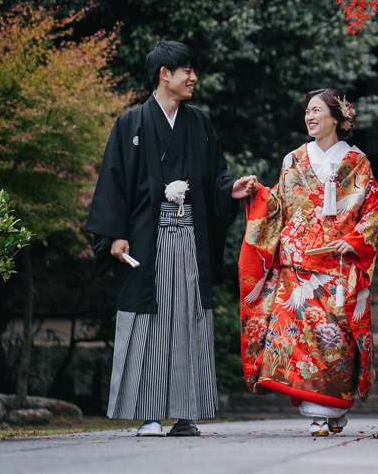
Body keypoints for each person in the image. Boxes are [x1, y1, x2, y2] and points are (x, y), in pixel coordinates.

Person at [86, 41, 255, 437]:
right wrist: (114, 235)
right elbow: (113, 181)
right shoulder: (130, 123)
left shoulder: (200, 122)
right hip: (147, 240)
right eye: (186, 71)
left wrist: (230, 189)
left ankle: (186, 413)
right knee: (150, 322)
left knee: (189, 321)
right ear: (165, 74)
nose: (193, 78)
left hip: (190, 238)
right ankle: (148, 414)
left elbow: (216, 174)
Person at [238, 89, 378, 436]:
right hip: (297, 265)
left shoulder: (357, 162)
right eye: (306, 111)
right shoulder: (293, 159)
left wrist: (352, 241)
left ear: (337, 117)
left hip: (337, 264)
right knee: (301, 338)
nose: (309, 116)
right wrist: (258, 194)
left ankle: (334, 406)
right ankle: (319, 412)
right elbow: (278, 206)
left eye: (317, 110)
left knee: (337, 340)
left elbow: (372, 206)